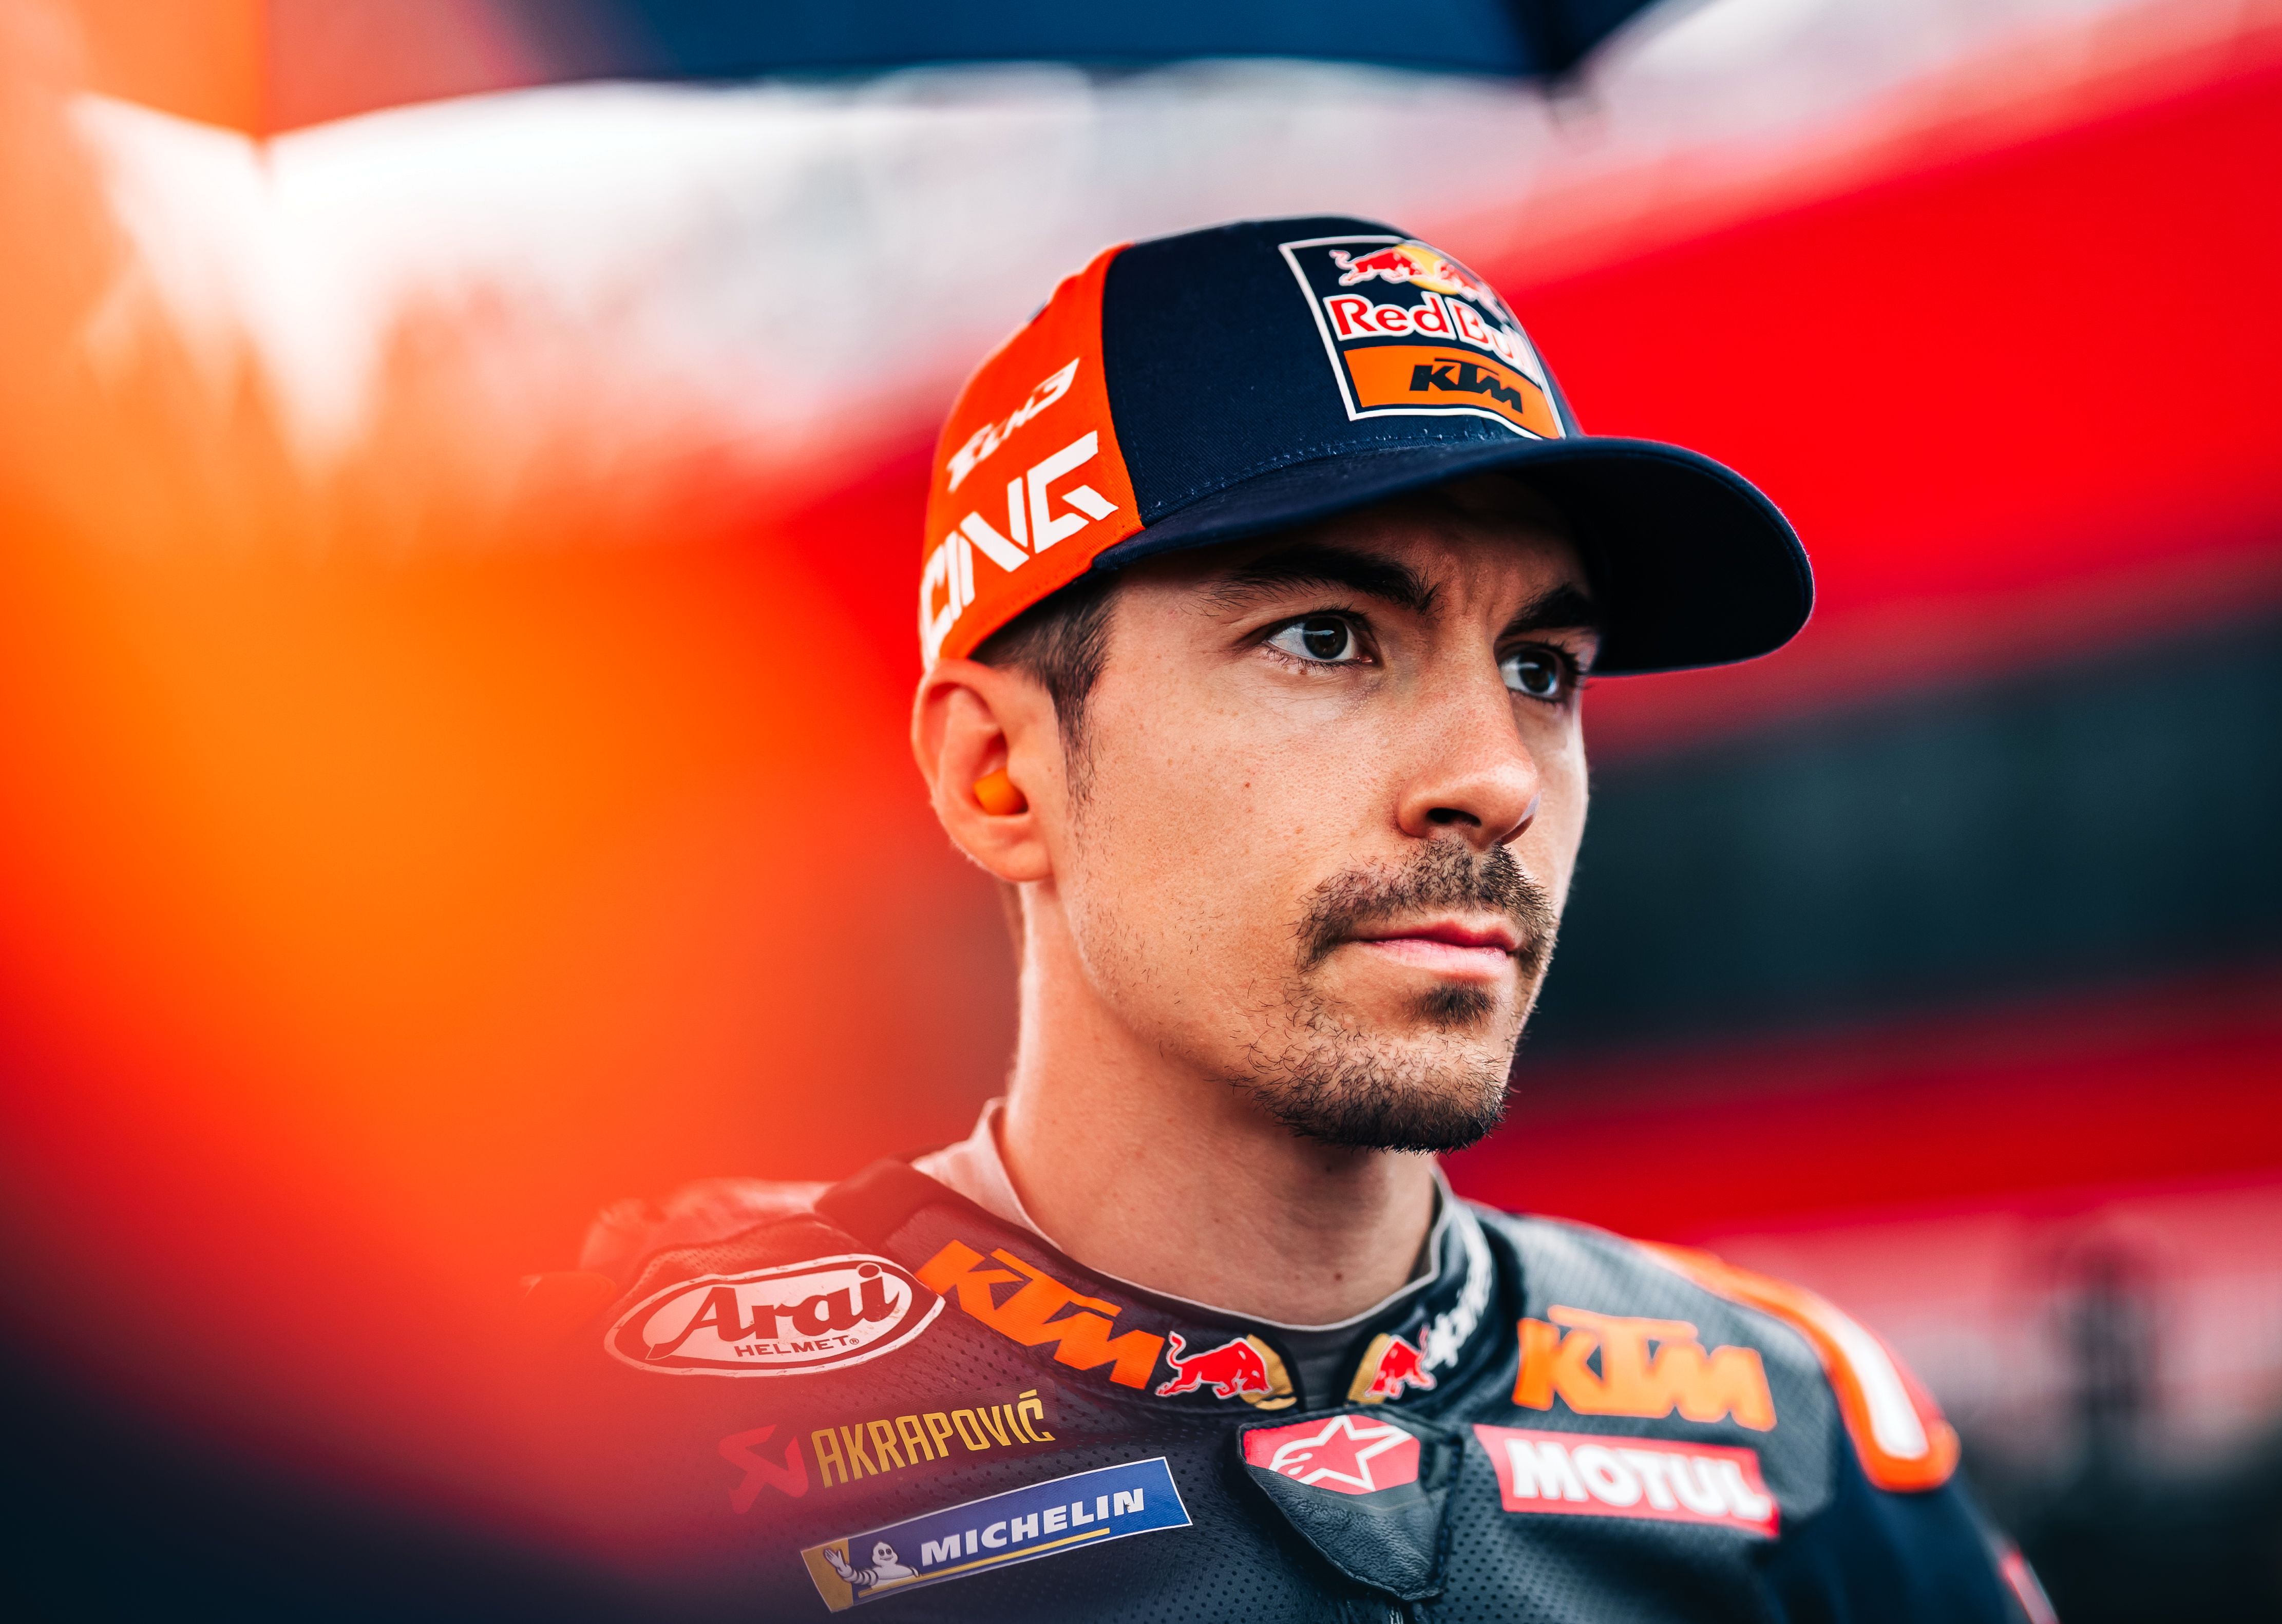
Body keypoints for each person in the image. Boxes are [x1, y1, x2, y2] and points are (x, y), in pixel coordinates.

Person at [541, 216, 2052, 1622]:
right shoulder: (619, 1468)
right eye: (1327, 639)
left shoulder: (1796, 1440)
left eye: (1541, 669)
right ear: (999, 771)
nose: (1496, 780)